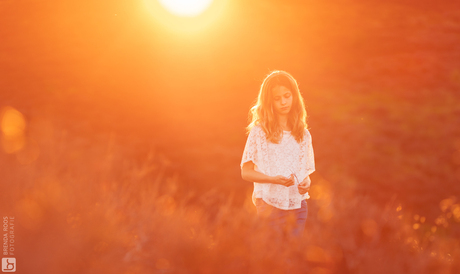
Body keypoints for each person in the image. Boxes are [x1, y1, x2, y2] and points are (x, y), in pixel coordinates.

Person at [240, 70, 315, 239]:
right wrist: (273, 179)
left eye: (287, 96)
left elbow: (306, 175)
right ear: (269, 101)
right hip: (269, 206)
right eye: (277, 98)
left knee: (294, 260)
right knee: (275, 260)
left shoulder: (303, 134)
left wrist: (306, 183)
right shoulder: (259, 132)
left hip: (298, 205)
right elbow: (246, 172)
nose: (283, 102)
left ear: (294, 96)